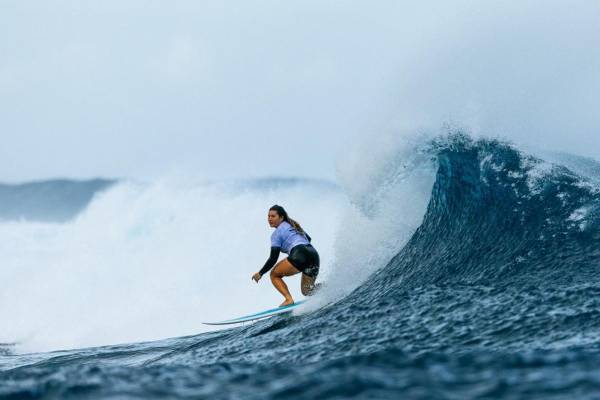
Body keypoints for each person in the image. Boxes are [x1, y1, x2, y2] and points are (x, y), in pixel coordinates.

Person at [251, 205, 320, 306]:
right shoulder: (294, 226)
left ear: (281, 217)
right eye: (268, 216)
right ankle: (330, 287)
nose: (269, 219)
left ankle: (288, 299)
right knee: (307, 290)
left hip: (299, 253)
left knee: (274, 274)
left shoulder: (276, 234)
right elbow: (308, 239)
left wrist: (260, 273)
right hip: (313, 254)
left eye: (273, 216)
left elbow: (273, 258)